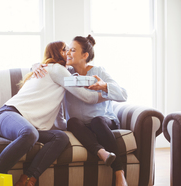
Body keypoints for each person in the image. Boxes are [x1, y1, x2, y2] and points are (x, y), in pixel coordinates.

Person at [0, 41, 105, 186]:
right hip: (7, 115)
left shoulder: (56, 75)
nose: (69, 52)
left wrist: (79, 129)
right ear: (56, 53)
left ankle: (26, 180)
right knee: (30, 134)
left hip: (25, 126)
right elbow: (87, 97)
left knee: (60, 137)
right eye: (65, 50)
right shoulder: (56, 69)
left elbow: (58, 122)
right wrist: (108, 92)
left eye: (70, 50)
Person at [33, 35, 128, 186]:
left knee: (97, 120)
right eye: (68, 50)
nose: (68, 53)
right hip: (82, 127)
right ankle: (102, 153)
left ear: (85, 55)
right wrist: (35, 66)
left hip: (103, 122)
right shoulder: (65, 73)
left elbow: (123, 94)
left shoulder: (98, 71)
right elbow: (47, 65)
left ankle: (119, 172)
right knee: (72, 122)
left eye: (73, 50)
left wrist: (104, 86)